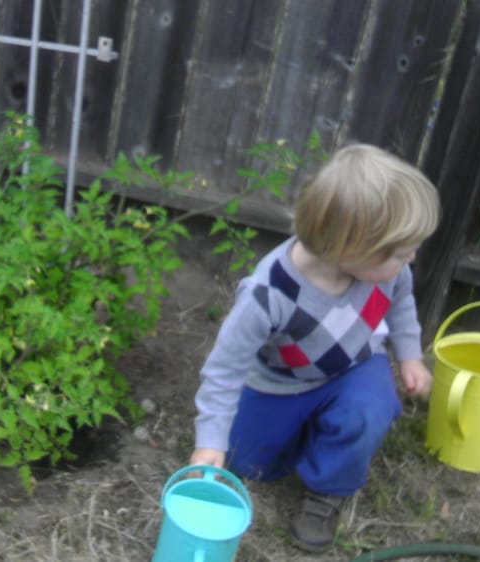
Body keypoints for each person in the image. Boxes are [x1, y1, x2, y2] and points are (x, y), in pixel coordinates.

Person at [189, 143, 441, 552]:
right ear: (349, 250)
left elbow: (401, 301)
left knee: (369, 408)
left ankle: (328, 487)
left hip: (354, 367)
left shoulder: (388, 273)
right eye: (400, 252)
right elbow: (224, 369)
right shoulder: (267, 295)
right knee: (247, 465)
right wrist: (210, 441)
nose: (411, 258)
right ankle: (310, 429)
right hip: (279, 382)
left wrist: (409, 354)